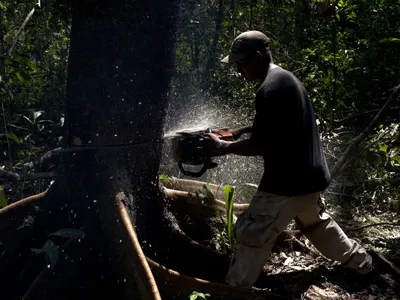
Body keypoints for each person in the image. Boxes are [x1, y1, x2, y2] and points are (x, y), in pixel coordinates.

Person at [205, 30, 373, 289]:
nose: (240, 70)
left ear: (259, 56)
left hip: (285, 184)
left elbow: (261, 144)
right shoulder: (286, 79)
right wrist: (241, 131)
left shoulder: (269, 89)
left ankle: (234, 291)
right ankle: (362, 264)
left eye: (242, 63)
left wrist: (223, 146)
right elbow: (280, 126)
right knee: (317, 225)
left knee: (251, 233)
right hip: (311, 177)